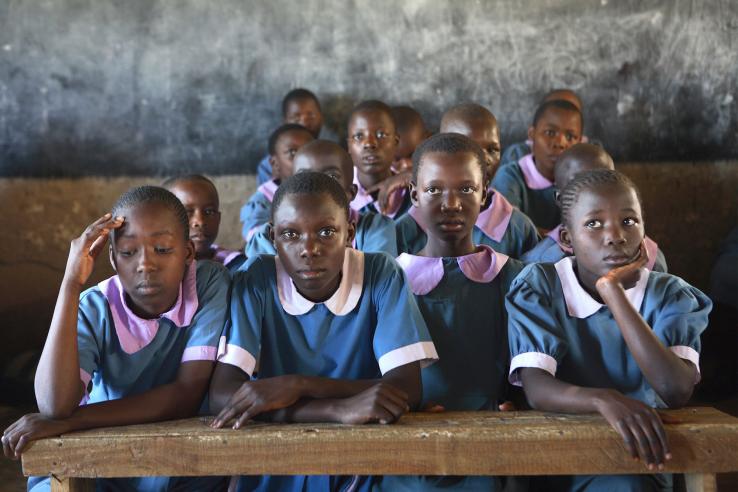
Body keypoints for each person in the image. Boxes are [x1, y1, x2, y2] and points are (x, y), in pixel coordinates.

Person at [210, 172, 438, 492]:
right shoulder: (257, 279)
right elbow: (223, 396)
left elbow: (405, 390)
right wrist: (338, 409)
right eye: (290, 234)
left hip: (364, 463)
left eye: (327, 231)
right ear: (273, 238)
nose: (309, 249)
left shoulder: (381, 274)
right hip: (275, 465)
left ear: (350, 233)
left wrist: (296, 386)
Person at [2, 186, 230, 491]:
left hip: (176, 461)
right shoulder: (94, 305)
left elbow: (186, 394)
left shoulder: (208, 284)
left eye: (162, 249)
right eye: (127, 252)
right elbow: (53, 406)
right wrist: (71, 283)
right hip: (98, 455)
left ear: (188, 253)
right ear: (112, 258)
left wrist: (69, 422)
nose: (145, 264)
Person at [507, 170, 711, 491]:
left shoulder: (671, 294)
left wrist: (612, 292)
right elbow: (536, 388)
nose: (615, 235)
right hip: (560, 454)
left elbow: (675, 389)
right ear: (566, 239)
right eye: (593, 223)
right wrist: (605, 400)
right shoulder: (540, 287)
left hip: (642, 457)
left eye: (629, 221)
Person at [375, 133, 524, 491]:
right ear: (414, 194)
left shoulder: (514, 277)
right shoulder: (389, 281)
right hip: (409, 441)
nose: (451, 204)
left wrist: (517, 405)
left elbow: (527, 371)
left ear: (485, 194)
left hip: (496, 442)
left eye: (466, 190)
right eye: (434, 190)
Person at [521, 143, 668, 272]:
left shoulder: (650, 258)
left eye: (607, 178)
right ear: (560, 199)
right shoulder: (542, 263)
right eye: (579, 184)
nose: (596, 191)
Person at [246, 140, 398, 257]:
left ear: (350, 193)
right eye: (304, 176)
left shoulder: (376, 229)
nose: (317, 187)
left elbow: (376, 280)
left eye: (332, 177)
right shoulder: (269, 236)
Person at [492, 99, 583, 232]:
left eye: (570, 136)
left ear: (580, 142)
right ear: (532, 135)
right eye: (550, 133)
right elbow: (510, 231)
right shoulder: (509, 177)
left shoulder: (583, 181)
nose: (560, 143)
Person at [240, 123, 313, 241]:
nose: (302, 159)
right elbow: (254, 237)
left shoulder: (324, 191)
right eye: (293, 153)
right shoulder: (264, 198)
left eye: (308, 151)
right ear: (275, 164)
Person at [165, 174, 246, 273]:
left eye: (209, 212)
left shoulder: (237, 266)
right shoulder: (153, 268)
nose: (200, 221)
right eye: (186, 212)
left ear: (218, 219)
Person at [348, 100, 412, 219]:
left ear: (395, 142)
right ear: (349, 145)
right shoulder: (339, 192)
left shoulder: (411, 185)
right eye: (359, 136)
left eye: (381, 135)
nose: (369, 143)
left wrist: (416, 178)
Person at [255, 88, 329, 185]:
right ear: (285, 121)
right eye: (296, 117)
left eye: (311, 116)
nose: (304, 123)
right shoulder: (268, 166)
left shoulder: (331, 155)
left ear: (321, 118)